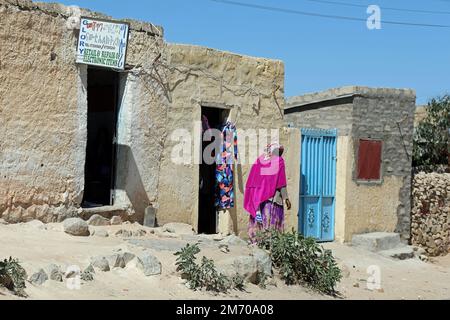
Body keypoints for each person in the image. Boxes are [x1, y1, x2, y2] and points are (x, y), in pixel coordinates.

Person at [244, 143, 291, 243]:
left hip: (257, 198)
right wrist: (286, 198)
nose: (280, 154)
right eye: (279, 151)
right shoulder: (279, 161)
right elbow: (281, 182)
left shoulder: (259, 161)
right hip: (272, 198)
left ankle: (255, 240)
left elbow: (252, 180)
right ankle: (270, 242)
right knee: (270, 221)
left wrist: (254, 194)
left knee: (259, 218)